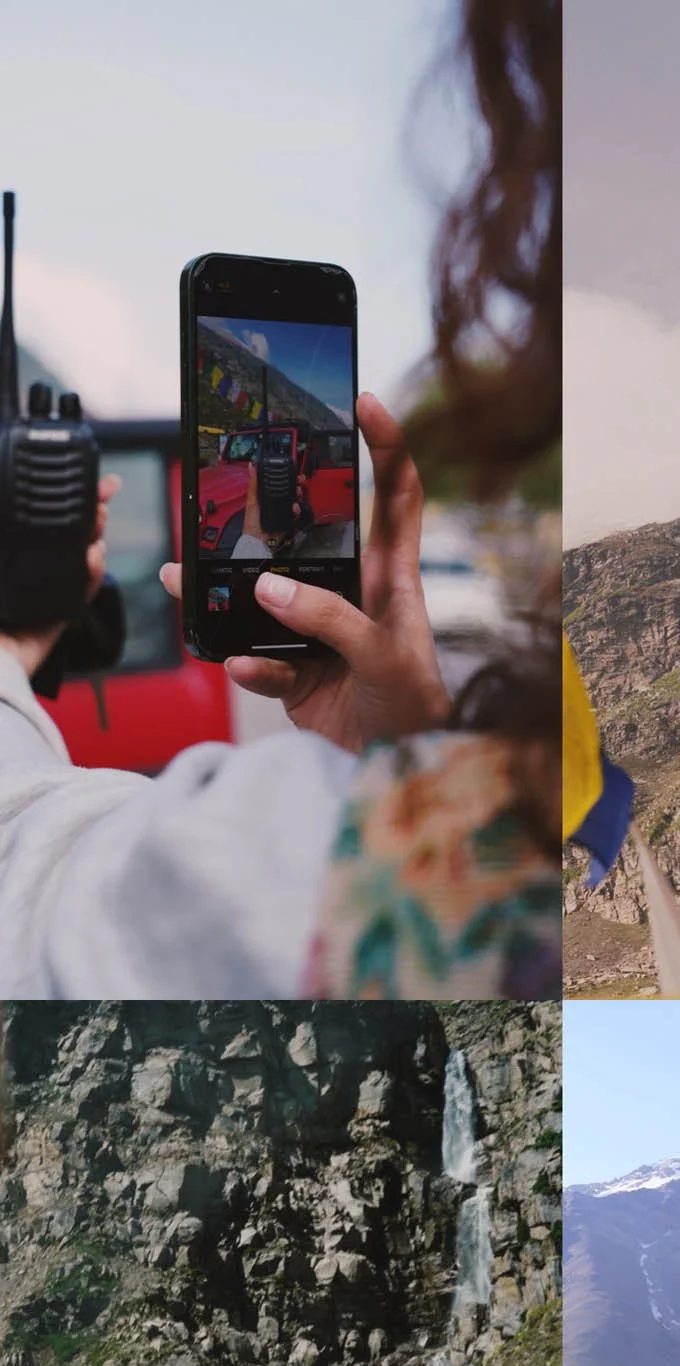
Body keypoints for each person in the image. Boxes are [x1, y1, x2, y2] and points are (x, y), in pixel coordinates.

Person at [0, 0, 560, 1001]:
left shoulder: (353, 871)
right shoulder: (571, 822)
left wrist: (9, 649)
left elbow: (29, 885)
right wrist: (406, 755)